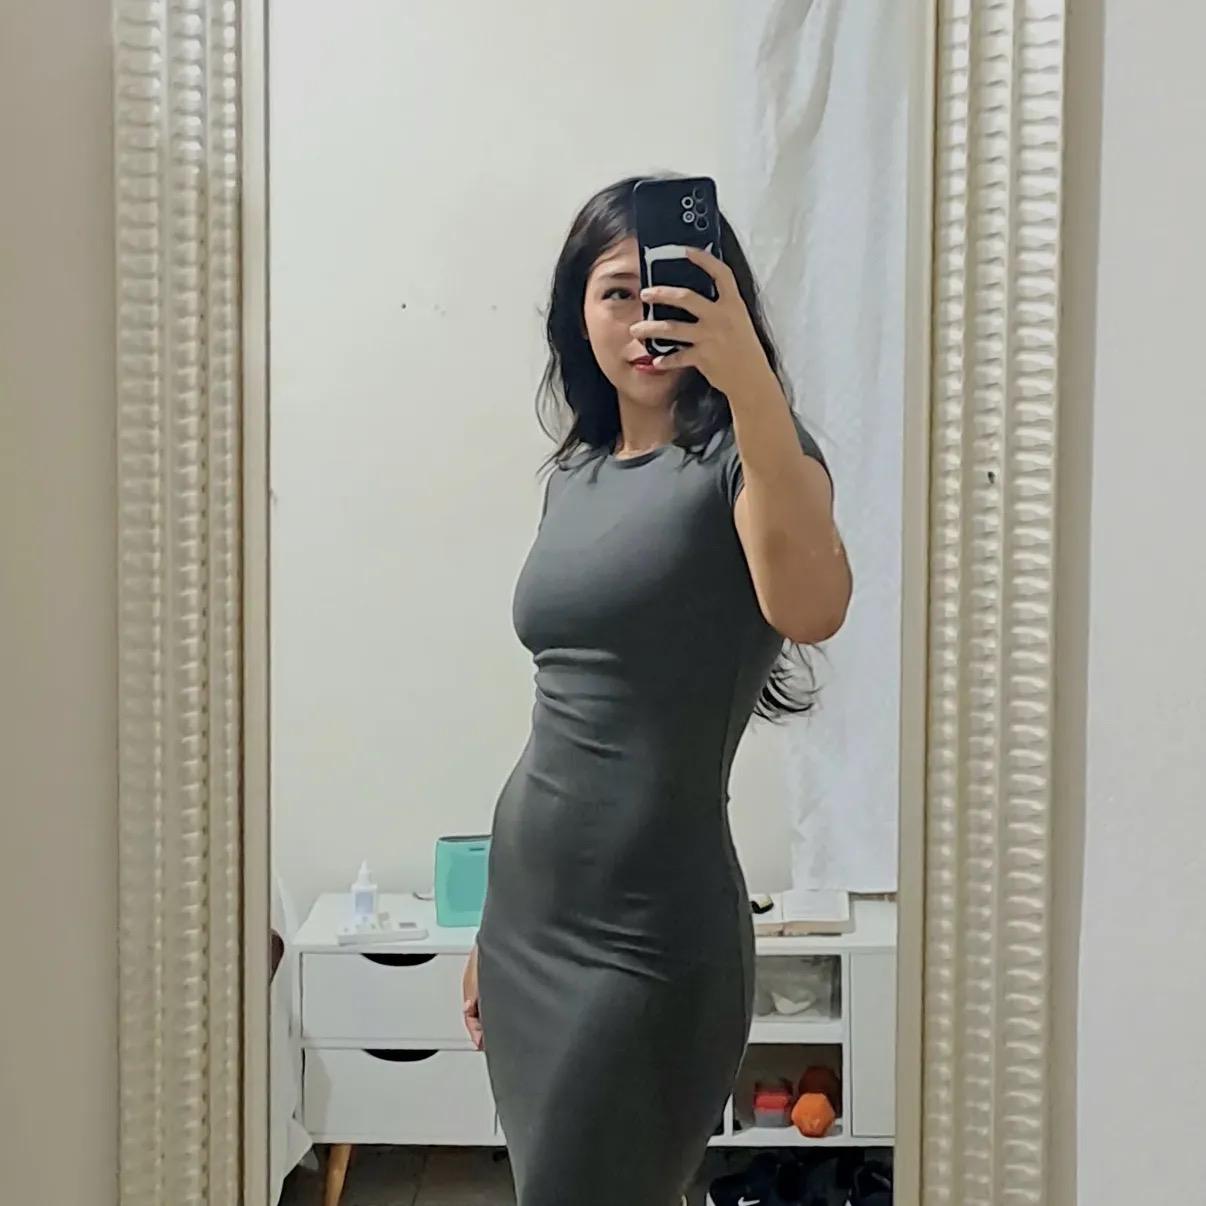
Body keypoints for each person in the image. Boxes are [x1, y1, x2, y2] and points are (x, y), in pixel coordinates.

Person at [461, 177, 852, 1206]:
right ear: (575, 314)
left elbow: (813, 607)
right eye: (615, 293)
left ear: (723, 298)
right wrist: (494, 925)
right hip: (527, 923)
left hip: (647, 941)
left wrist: (752, 384)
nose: (644, 319)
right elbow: (561, 722)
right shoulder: (576, 474)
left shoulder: (751, 458)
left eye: (671, 288)